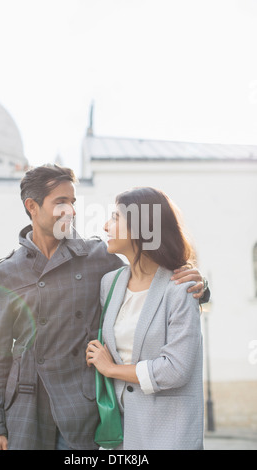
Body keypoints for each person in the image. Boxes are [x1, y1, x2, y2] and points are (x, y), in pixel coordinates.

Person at [0, 165, 208, 450]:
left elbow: (149, 274)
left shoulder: (98, 257)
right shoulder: (7, 272)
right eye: (60, 202)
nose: (72, 211)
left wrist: (199, 285)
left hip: (81, 412)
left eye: (73, 203)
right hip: (26, 410)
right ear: (32, 206)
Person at [86, 187, 205, 450]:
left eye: (115, 218)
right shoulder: (111, 283)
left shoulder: (180, 287)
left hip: (168, 436)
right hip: (120, 435)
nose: (106, 226)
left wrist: (111, 369)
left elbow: (176, 369)